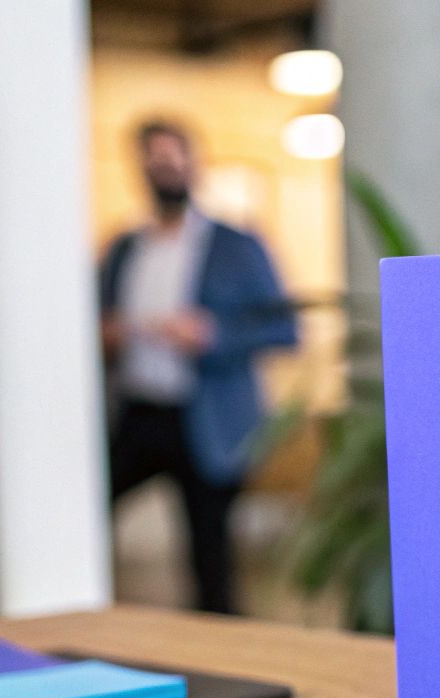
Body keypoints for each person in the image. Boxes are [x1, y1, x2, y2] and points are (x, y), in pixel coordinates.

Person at [99, 119, 297, 614]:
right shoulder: (124, 248)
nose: (165, 168)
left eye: (174, 157)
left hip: (208, 417)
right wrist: (108, 335)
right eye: (154, 158)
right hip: (141, 412)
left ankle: (225, 657)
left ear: (194, 163)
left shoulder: (237, 246)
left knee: (210, 557)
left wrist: (213, 334)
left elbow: (283, 328)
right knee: (81, 510)